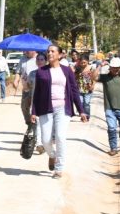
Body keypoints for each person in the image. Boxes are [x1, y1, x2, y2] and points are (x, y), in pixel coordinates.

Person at [30, 44, 86, 178]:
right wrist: (33, 111)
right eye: (48, 51)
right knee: (45, 140)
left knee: (60, 137)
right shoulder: (41, 71)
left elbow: (74, 90)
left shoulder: (67, 71)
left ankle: (59, 168)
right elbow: (36, 93)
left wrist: (81, 110)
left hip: (63, 108)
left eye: (52, 51)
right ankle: (52, 155)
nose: (49, 54)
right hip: (45, 108)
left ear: (60, 55)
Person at [74, 57, 96, 122]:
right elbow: (75, 77)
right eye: (82, 63)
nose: (83, 64)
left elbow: (94, 78)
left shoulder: (91, 68)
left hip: (88, 89)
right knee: (80, 102)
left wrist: (93, 85)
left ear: (87, 61)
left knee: (86, 103)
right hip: (79, 88)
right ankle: (83, 116)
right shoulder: (78, 68)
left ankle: (87, 116)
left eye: (84, 62)